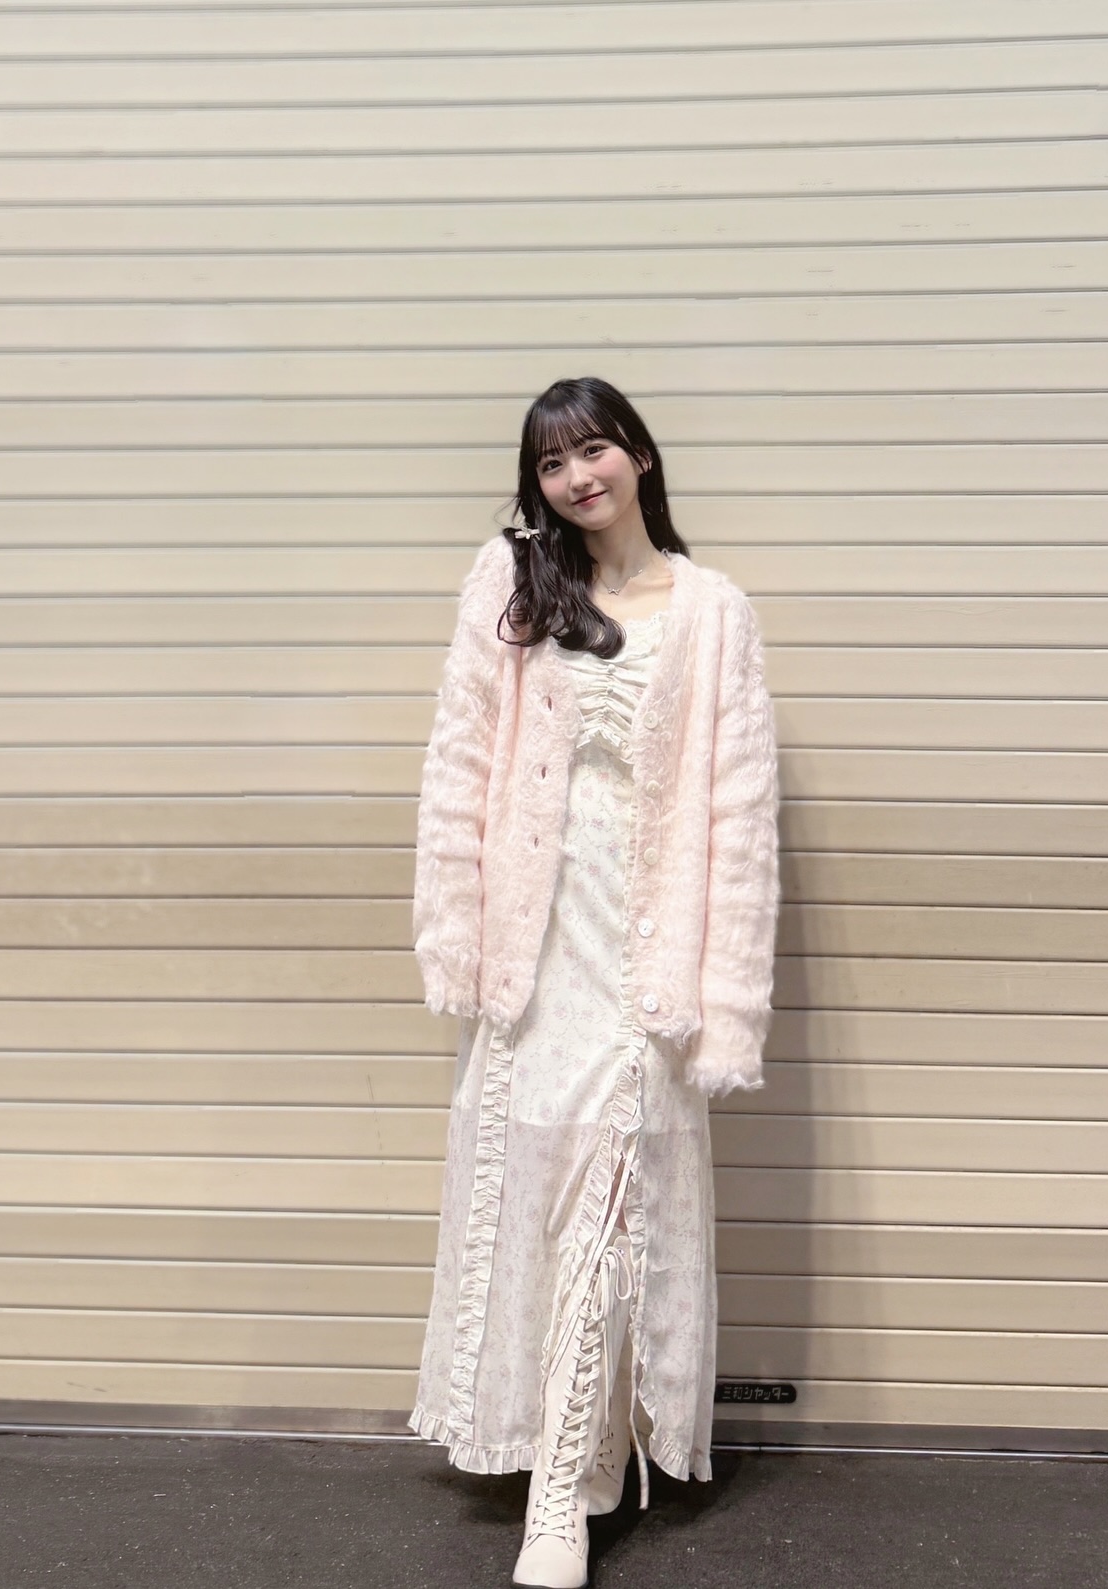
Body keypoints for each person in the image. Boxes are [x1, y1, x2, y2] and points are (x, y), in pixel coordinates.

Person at [408, 376, 781, 1588]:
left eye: (596, 450)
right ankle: (589, 1444)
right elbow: (461, 764)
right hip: (539, 940)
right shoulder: (515, 585)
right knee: (543, 1193)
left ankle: (559, 1497)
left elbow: (740, 814)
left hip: (647, 946)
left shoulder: (714, 611)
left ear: (640, 457)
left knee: (616, 1199)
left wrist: (724, 992)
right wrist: (458, 934)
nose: (578, 478)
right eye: (553, 463)